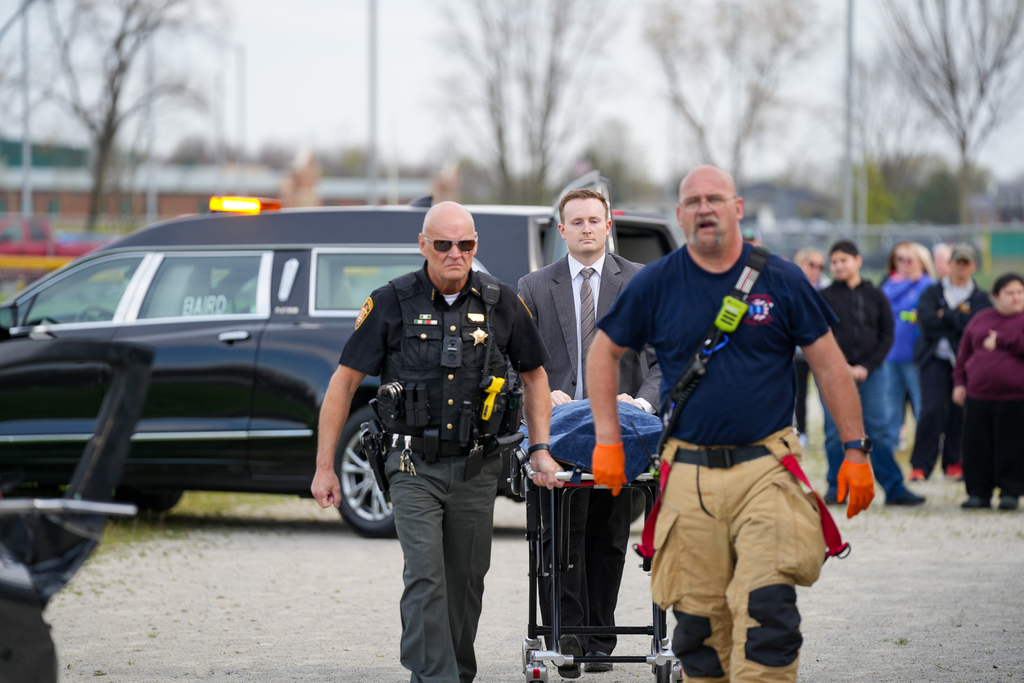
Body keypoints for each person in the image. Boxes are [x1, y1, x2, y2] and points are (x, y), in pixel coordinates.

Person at [585, 165, 876, 683]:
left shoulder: (781, 279)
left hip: (766, 468)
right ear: (680, 215)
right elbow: (603, 353)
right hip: (688, 475)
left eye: (715, 198)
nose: (704, 209)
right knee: (698, 633)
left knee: (769, 616)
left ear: (737, 208)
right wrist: (607, 440)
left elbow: (830, 365)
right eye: (693, 201)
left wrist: (856, 451)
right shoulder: (657, 282)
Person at [311, 201, 563, 683]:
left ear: (475, 246)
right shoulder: (391, 301)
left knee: (466, 582)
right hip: (411, 466)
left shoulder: (500, 301)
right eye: (443, 244)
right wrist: (326, 468)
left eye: (465, 244)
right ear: (423, 245)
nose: (455, 253)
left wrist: (541, 448)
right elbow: (342, 385)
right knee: (426, 577)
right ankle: (435, 677)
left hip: (477, 467)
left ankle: (453, 671)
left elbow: (534, 376)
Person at [518, 188, 662, 677]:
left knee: (608, 537)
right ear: (561, 230)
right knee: (558, 540)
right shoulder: (534, 286)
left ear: (608, 226)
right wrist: (541, 396)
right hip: (556, 432)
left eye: (593, 220)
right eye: (575, 221)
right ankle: (566, 639)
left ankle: (600, 638)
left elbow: (665, 360)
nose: (585, 228)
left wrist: (641, 402)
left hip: (620, 430)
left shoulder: (641, 282)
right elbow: (515, 361)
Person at [819, 241, 924, 506]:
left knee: (877, 430)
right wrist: (842, 367)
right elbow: (821, 336)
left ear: (858, 261)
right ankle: (837, 486)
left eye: (844, 260)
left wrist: (867, 366)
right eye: (834, 262)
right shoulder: (825, 297)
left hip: (872, 374)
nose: (839, 266)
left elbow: (886, 334)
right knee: (834, 431)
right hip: (835, 374)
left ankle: (894, 487)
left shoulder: (875, 294)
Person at [909, 243, 991, 483]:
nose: (961, 268)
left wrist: (946, 316)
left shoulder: (980, 297)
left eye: (966, 263)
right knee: (930, 410)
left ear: (973, 266)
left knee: (960, 412)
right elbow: (926, 322)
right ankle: (921, 465)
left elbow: (976, 328)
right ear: (951, 264)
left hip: (965, 363)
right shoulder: (933, 292)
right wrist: (960, 320)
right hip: (935, 359)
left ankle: (954, 462)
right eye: (958, 262)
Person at [953, 273, 1024, 511]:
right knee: (976, 446)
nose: (1016, 298)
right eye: (1010, 293)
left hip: (1015, 397)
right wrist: (959, 383)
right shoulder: (981, 319)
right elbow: (964, 354)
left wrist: (1003, 339)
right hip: (978, 395)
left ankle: (1010, 492)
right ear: (996, 296)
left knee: (1011, 446)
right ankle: (978, 492)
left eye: (1020, 293)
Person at [880, 242, 934, 461]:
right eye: (899, 260)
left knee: (921, 403)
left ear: (921, 262)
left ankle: (925, 446)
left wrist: (903, 310)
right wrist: (903, 288)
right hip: (891, 355)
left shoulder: (927, 285)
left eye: (908, 260)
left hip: (915, 355)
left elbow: (916, 311)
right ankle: (891, 443)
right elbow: (884, 305)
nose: (903, 264)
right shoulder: (893, 283)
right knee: (891, 405)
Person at [792, 248, 829, 445]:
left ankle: (830, 431)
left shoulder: (827, 288)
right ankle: (802, 432)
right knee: (799, 394)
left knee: (826, 393)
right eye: (811, 264)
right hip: (797, 351)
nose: (816, 270)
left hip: (819, 350)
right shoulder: (792, 286)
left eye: (820, 266)